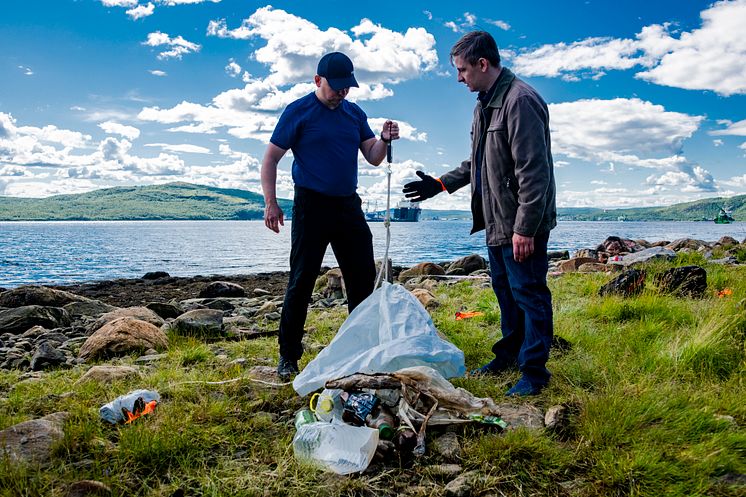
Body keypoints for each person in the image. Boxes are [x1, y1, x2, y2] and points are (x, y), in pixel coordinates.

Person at [403, 31, 556, 396]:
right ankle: (509, 354)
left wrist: (525, 229)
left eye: (462, 70)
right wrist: (439, 183)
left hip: (520, 223)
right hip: (496, 220)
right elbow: (479, 161)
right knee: (506, 292)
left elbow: (534, 172)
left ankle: (534, 373)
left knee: (530, 294)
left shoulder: (520, 101)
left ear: (482, 64)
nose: (459, 78)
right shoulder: (485, 101)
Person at [261, 52, 400, 380]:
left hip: (348, 205)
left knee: (362, 278)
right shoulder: (298, 111)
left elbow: (374, 157)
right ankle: (288, 356)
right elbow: (270, 160)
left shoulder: (354, 114)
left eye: (347, 87)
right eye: (336, 87)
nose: (342, 92)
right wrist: (271, 203)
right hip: (311, 205)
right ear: (317, 81)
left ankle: (362, 349)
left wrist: (383, 138)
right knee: (302, 279)